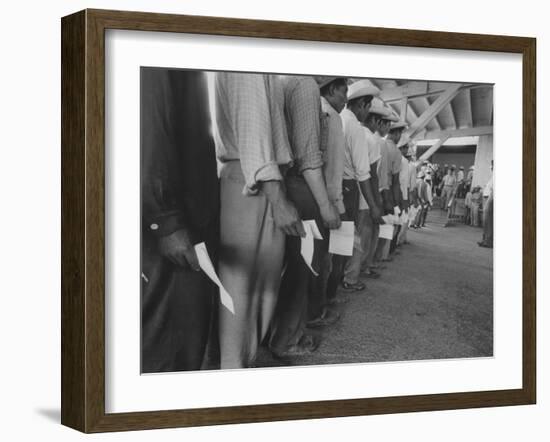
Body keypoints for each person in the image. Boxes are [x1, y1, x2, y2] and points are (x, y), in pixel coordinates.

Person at [214, 72, 304, 369]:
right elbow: (253, 132)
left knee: (257, 289)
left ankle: (242, 363)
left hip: (258, 177)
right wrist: (278, 198)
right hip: (252, 180)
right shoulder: (247, 61)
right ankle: (233, 371)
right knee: (241, 291)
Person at [141, 68, 220, 373]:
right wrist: (166, 220)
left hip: (187, 215)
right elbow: (150, 126)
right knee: (172, 342)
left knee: (187, 335)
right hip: (174, 223)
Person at [268, 75, 341, 357]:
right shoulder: (305, 84)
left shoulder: (279, 79)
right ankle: (287, 338)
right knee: (304, 265)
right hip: (301, 185)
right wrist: (325, 205)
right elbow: (309, 157)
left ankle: (273, 332)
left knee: (283, 266)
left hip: (279, 182)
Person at [308, 76, 351, 321]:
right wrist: (337, 205)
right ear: (332, 89)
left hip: (309, 191)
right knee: (321, 260)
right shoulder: (331, 117)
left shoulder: (315, 108)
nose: (346, 99)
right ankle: (314, 312)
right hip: (323, 197)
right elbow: (331, 166)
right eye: (344, 93)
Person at [337, 80, 383, 292]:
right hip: (349, 187)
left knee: (338, 238)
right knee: (349, 237)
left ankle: (337, 281)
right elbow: (365, 173)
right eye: (367, 107)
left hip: (336, 184)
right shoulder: (354, 127)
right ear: (362, 105)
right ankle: (345, 281)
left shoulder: (339, 119)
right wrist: (374, 205)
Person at [478, 161, 494, 248]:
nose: (491, 168)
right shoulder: (493, 176)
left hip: (490, 198)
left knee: (488, 221)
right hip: (487, 198)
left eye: (492, 166)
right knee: (486, 221)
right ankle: (485, 240)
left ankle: (488, 241)